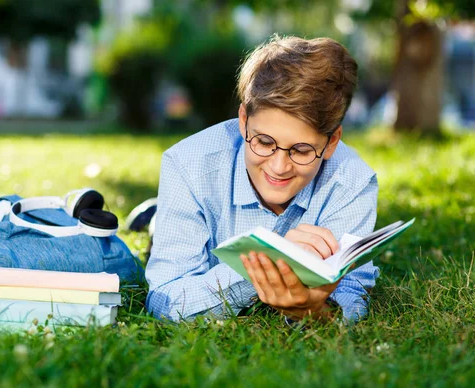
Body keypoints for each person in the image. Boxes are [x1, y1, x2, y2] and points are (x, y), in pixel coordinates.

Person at [145, 35, 379, 323]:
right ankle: (153, 218)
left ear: (331, 143)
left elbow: (352, 294)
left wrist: (315, 312)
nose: (279, 167)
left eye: (301, 150)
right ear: (243, 120)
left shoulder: (352, 181)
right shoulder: (188, 166)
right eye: (265, 142)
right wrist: (270, 263)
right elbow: (165, 301)